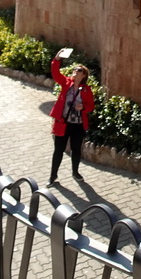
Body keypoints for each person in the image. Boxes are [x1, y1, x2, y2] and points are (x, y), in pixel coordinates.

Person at [47, 52, 95, 184]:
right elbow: (55, 73)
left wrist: (83, 107)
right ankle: (53, 176)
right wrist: (57, 58)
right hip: (63, 123)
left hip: (78, 125)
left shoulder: (86, 89)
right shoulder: (65, 83)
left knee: (76, 150)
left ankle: (75, 172)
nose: (75, 71)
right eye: (74, 69)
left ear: (83, 75)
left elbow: (91, 106)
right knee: (58, 150)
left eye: (78, 70)